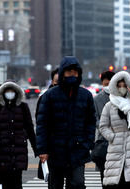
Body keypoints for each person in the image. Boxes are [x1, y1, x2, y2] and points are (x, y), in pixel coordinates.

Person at [36, 56, 96, 189]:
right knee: (55, 185)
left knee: (78, 184)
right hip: (55, 150)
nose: (72, 75)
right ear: (62, 73)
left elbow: (91, 121)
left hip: (78, 149)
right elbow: (42, 125)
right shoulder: (50, 95)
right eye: (69, 72)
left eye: (75, 72)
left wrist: (88, 142)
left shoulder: (85, 95)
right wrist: (43, 149)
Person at [99, 71, 130, 188]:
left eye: (124, 86)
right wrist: (113, 137)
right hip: (115, 147)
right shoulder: (109, 106)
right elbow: (103, 126)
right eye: (119, 86)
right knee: (114, 181)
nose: (122, 88)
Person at [0, 80, 37, 189]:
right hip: (2, 150)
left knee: (17, 181)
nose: (10, 93)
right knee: (5, 183)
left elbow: (29, 128)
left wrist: (36, 147)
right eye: (7, 90)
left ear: (17, 92)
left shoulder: (23, 107)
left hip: (19, 149)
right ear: (3, 92)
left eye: (12, 90)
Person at [93, 70, 115, 188]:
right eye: (105, 84)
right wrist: (104, 126)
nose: (108, 87)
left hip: (119, 139)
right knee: (104, 171)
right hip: (103, 139)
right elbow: (94, 117)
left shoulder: (121, 96)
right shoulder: (97, 99)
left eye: (110, 84)